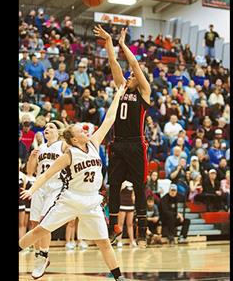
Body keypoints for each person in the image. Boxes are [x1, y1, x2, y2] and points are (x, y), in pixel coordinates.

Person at [19, 83, 127, 281]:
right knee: (40, 230)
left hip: (91, 201)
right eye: (81, 131)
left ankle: (119, 277)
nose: (86, 131)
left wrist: (118, 94)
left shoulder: (93, 144)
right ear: (75, 139)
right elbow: (45, 175)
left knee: (104, 242)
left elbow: (109, 120)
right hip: (69, 199)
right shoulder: (69, 154)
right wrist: (32, 189)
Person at [93, 25, 151, 247]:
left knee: (139, 185)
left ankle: (142, 227)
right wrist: (109, 42)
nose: (129, 76)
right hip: (118, 144)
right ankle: (113, 226)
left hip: (136, 145)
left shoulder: (144, 92)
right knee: (114, 184)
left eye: (133, 75)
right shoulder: (121, 89)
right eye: (128, 76)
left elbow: (134, 65)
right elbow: (114, 64)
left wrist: (123, 44)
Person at [26, 121, 68, 278]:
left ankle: (42, 255)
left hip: (55, 187)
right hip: (40, 186)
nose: (47, 129)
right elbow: (30, 172)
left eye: (51, 127)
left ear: (58, 132)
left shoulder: (62, 145)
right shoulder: (40, 148)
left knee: (45, 222)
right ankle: (40, 255)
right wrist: (31, 157)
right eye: (46, 128)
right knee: (34, 223)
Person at [116, 181, 137, 248]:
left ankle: (132, 241)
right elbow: (117, 193)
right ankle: (119, 241)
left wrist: (133, 201)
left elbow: (133, 194)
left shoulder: (132, 182)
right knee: (120, 224)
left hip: (130, 205)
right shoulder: (122, 182)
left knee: (130, 224)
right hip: (122, 205)